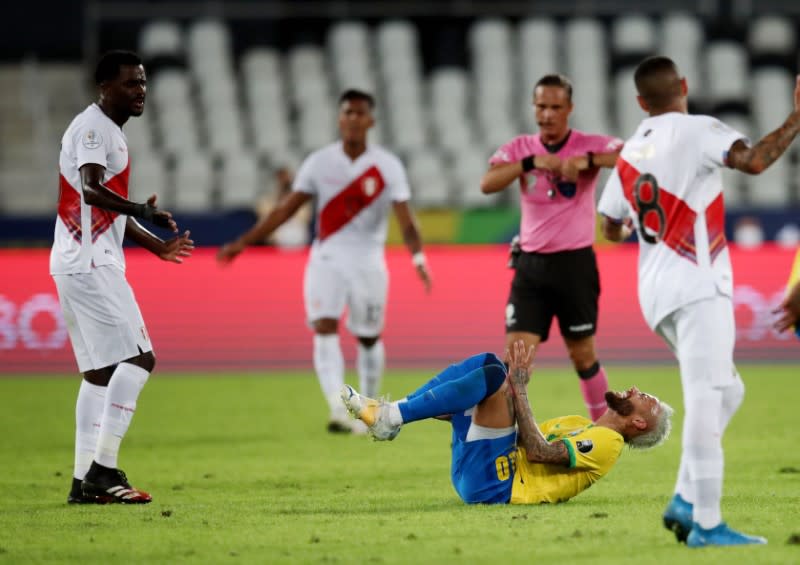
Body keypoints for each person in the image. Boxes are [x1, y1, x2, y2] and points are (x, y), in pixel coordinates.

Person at [598, 55, 800, 547]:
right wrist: (796, 118)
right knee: (707, 399)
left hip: (655, 292)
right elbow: (753, 161)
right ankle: (705, 523)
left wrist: (635, 222)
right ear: (684, 86)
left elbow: (608, 225)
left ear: (641, 102)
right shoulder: (699, 129)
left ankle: (687, 496)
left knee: (728, 391)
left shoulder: (629, 154)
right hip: (698, 284)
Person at [217, 89, 432, 433]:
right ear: (339, 118)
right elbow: (286, 208)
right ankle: (337, 406)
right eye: (347, 113)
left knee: (368, 337)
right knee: (324, 327)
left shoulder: (387, 166)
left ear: (370, 121)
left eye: (359, 113)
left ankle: (369, 406)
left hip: (368, 261)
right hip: (327, 258)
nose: (352, 119)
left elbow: (406, 219)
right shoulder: (319, 162)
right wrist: (244, 242)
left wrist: (418, 257)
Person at [51, 50, 194, 505]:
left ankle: (81, 481)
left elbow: (100, 202)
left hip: (74, 261)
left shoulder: (103, 129)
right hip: (92, 265)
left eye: (144, 83)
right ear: (104, 87)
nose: (141, 91)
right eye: (131, 83)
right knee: (140, 359)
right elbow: (92, 191)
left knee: (98, 373)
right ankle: (104, 469)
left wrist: (152, 241)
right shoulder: (94, 129)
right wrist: (141, 209)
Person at [341, 340, 673, 505]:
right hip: (483, 469)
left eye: (645, 398)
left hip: (498, 485)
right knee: (489, 365)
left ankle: (391, 416)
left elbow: (538, 452)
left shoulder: (609, 443)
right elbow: (515, 435)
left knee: (496, 376)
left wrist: (520, 386)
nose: (634, 389)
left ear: (640, 424)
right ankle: (392, 415)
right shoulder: (579, 423)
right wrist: (459, 408)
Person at [479, 74, 624, 422]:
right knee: (516, 361)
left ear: (569, 109)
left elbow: (630, 158)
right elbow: (487, 184)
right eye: (541, 106)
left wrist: (587, 161)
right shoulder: (520, 148)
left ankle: (602, 430)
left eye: (555, 107)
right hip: (530, 267)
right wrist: (530, 163)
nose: (547, 115)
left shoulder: (589, 143)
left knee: (583, 355)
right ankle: (507, 440)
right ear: (534, 107)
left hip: (575, 265)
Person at [254, 166, 312, 249]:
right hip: (274, 239)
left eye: (287, 181)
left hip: (296, 238)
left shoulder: (301, 199)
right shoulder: (266, 201)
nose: (284, 183)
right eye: (281, 180)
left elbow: (303, 218)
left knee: (294, 226)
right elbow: (264, 215)